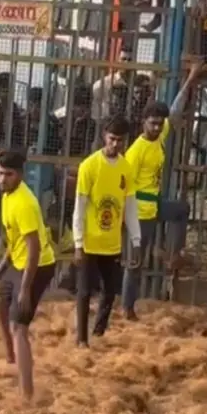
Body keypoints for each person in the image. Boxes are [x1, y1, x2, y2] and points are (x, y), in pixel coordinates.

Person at [122, 60, 202, 319]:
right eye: (153, 124)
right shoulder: (136, 151)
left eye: (159, 124)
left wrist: (191, 77)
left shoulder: (160, 134)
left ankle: (172, 255)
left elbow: (176, 109)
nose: (157, 128)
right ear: (144, 122)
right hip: (138, 211)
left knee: (181, 209)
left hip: (154, 205)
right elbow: (122, 185)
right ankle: (127, 308)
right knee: (135, 263)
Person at [0, 150, 57, 404]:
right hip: (18, 263)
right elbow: (13, 238)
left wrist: (25, 289)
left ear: (20, 175)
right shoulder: (7, 197)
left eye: (8, 174)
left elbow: (34, 249)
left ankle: (26, 393)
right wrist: (2, 267)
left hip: (37, 266)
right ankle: (11, 355)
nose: (2, 178)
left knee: (20, 327)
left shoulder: (25, 203)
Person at [72, 115, 142, 347]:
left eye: (120, 141)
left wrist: (136, 239)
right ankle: (82, 339)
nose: (115, 145)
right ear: (104, 136)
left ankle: (99, 333)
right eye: (112, 139)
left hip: (112, 243)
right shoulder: (89, 166)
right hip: (90, 241)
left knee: (109, 292)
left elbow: (130, 206)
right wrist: (78, 243)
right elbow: (79, 208)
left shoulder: (126, 168)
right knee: (84, 292)